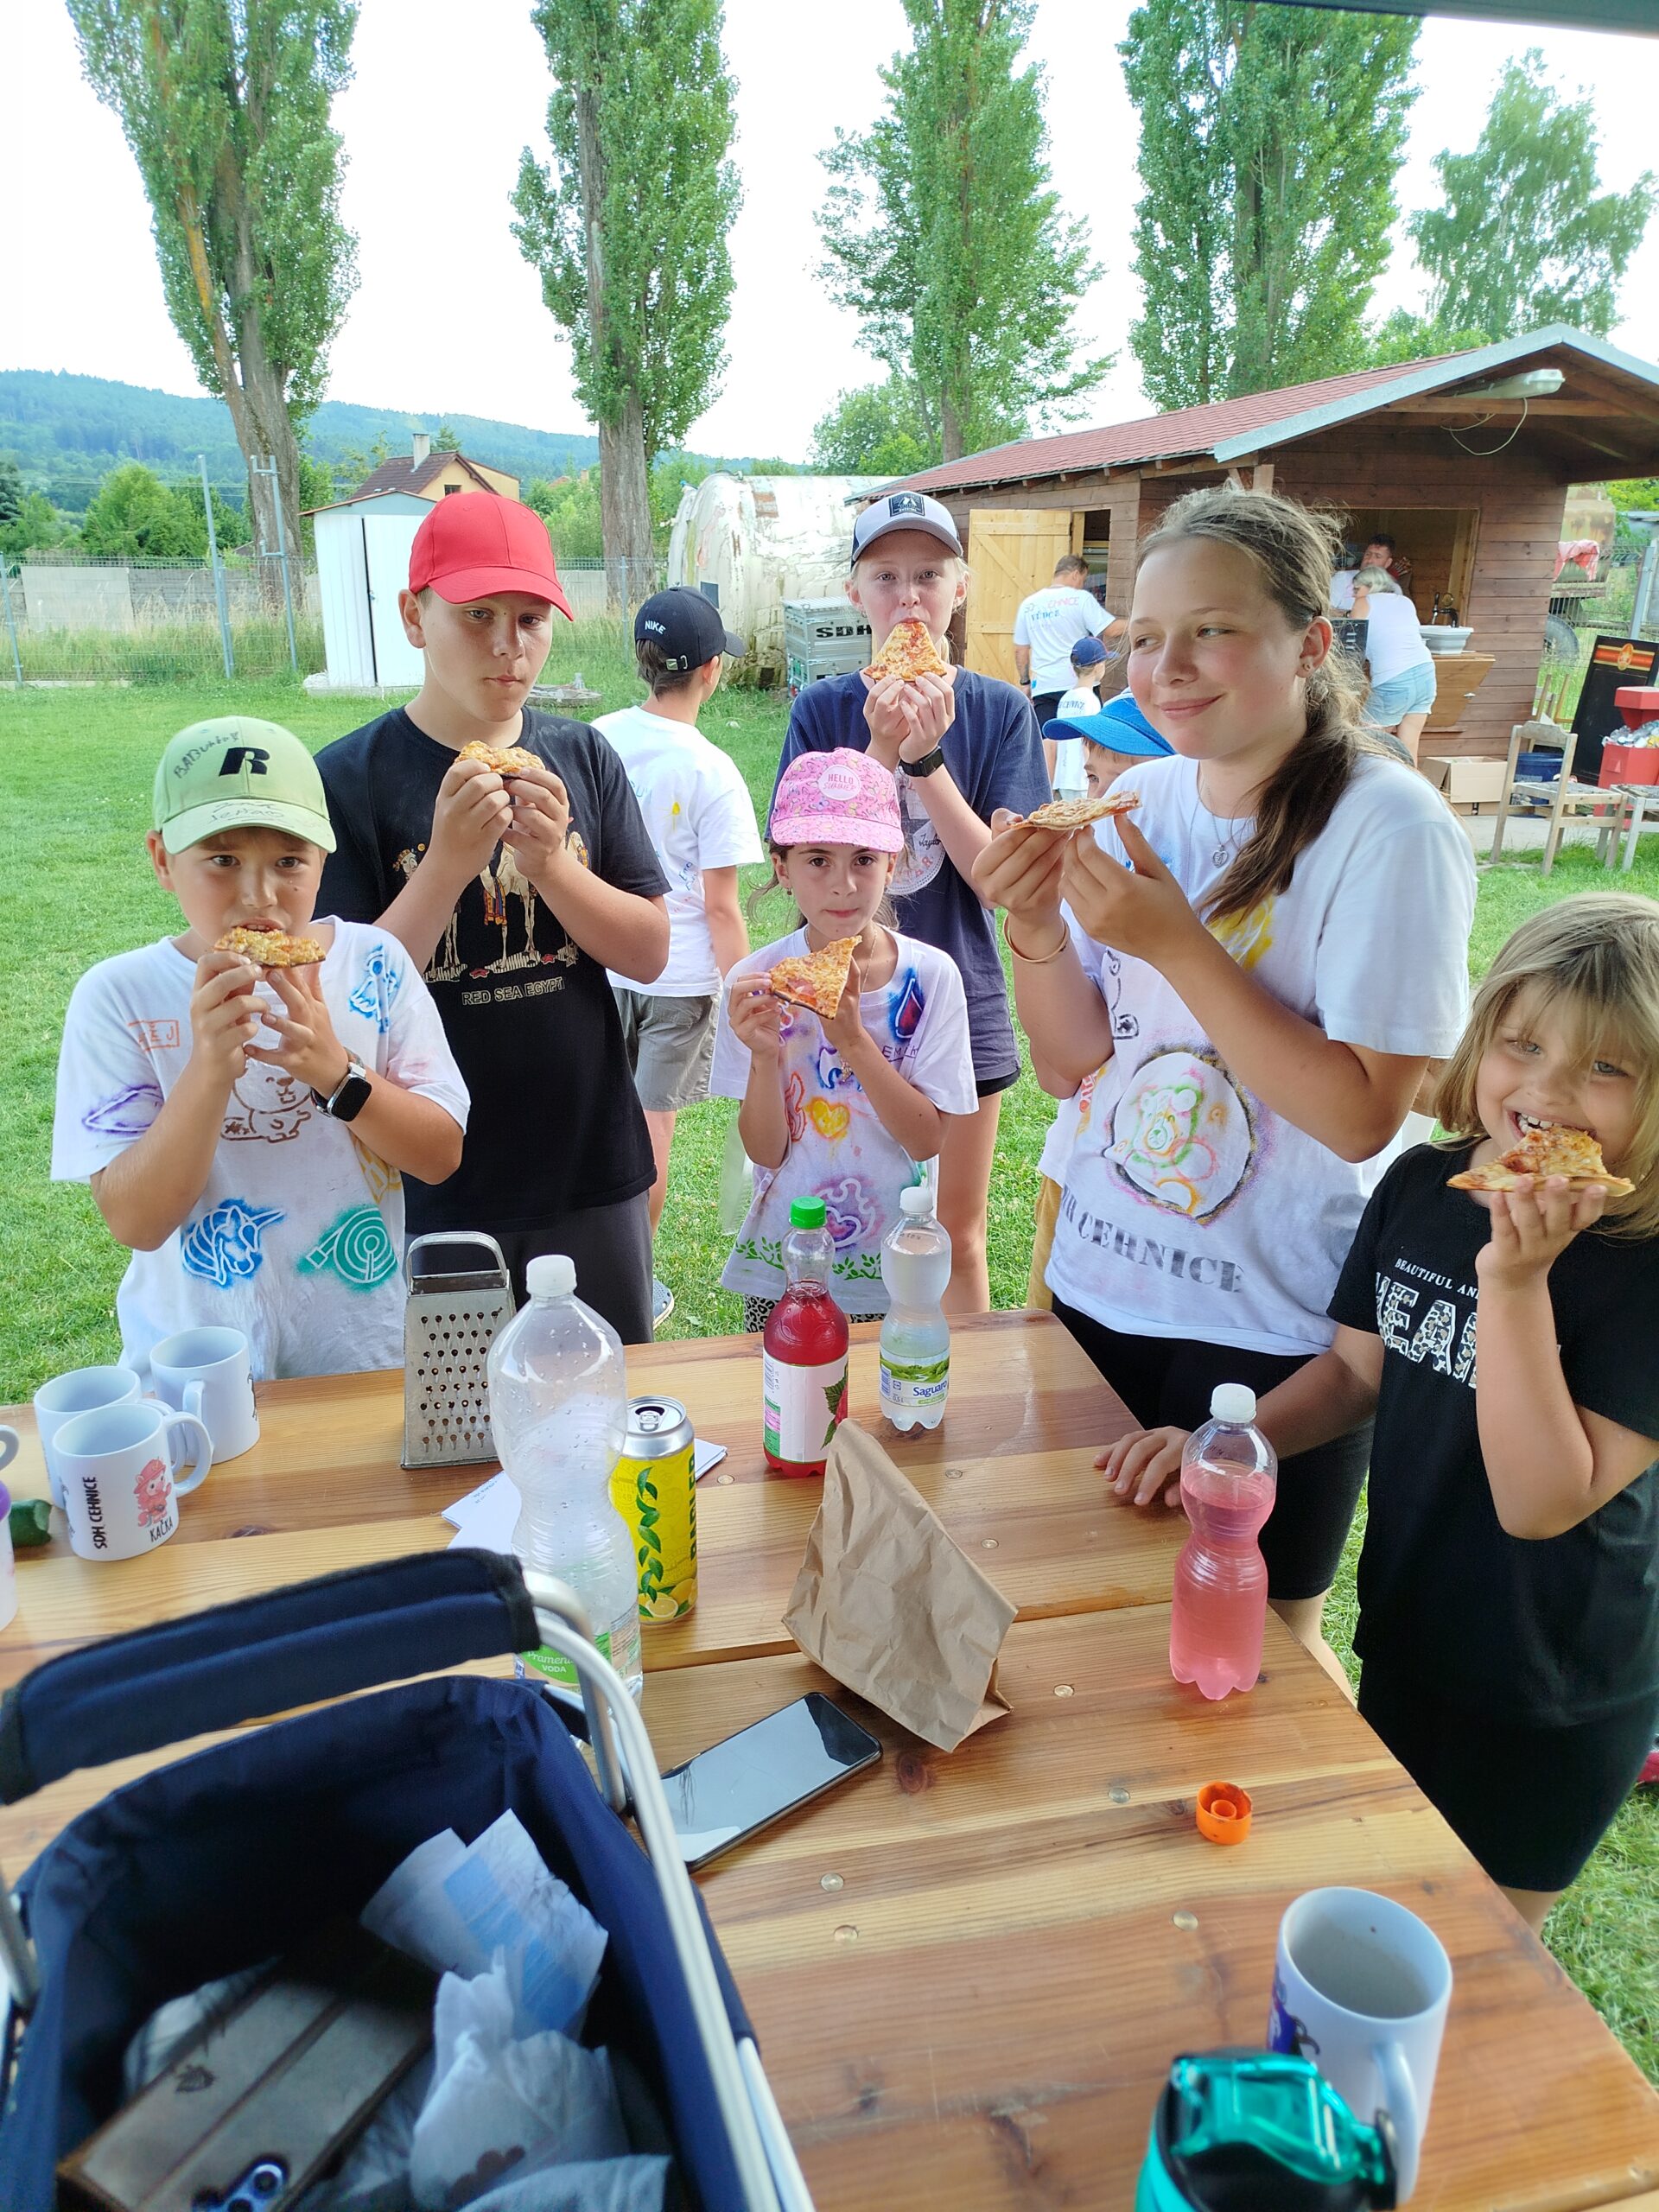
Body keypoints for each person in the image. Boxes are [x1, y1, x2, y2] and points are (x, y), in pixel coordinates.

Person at [973, 486, 1477, 1684]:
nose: (1170, 667)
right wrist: (1033, 925)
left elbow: (1362, 1112)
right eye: (1148, 637)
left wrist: (1179, 947)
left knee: (1266, 1647)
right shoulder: (1136, 802)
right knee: (1086, 1616)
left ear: (1309, 643)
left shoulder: (1388, 828)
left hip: (1273, 1328)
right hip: (1101, 1286)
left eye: (1213, 630)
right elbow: (1071, 1063)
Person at [1100, 895, 1659, 1933]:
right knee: (1381, 1901)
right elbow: (1355, 1375)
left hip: (1551, 1691)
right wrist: (1232, 1444)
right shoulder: (1423, 1186)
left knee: (1479, 1948)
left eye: (1605, 1066)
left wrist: (1515, 1279)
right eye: (1524, 1044)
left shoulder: (1642, 1265)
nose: (1546, 1091)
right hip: (1408, 1633)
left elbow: (1542, 1501)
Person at [315, 493, 670, 1344]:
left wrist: (551, 867)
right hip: (433, 1179)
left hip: (588, 1163)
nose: (510, 646)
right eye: (478, 615)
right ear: (414, 616)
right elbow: (344, 1001)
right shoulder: (350, 779)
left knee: (601, 1396)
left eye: (531, 619)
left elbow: (650, 952)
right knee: (457, 1412)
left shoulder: (582, 755)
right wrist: (445, 865)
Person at [53, 717, 469, 1381]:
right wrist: (208, 1070)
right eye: (222, 860)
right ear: (162, 859)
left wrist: (338, 1074)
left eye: (289, 861)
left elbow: (440, 1154)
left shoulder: (374, 965)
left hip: (359, 1352)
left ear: (324, 860)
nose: (259, 896)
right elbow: (136, 1222)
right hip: (195, 1368)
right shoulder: (120, 998)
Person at [774, 490, 1050, 1313]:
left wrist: (927, 760)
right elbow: (814, 855)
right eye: (885, 577)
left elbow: (997, 882)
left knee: (953, 1232)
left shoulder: (1000, 711)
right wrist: (880, 746)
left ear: (960, 589)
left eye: (929, 576)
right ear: (855, 594)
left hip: (961, 991)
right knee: (835, 1223)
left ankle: (955, 1385)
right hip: (839, 996)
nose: (908, 599)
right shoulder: (823, 708)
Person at [714, 747, 976, 1329]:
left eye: (863, 859)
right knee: (790, 1382)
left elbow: (927, 1140)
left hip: (895, 1264)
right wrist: (763, 1055)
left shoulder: (931, 978)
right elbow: (765, 1153)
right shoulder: (756, 984)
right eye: (817, 860)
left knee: (889, 1384)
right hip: (789, 1260)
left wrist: (853, 1040)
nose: (844, 885)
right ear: (782, 869)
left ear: (893, 864)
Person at [594, 586, 764, 1327]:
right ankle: (634, 1282)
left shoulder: (595, 739)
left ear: (642, 659)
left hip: (601, 961)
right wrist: (748, 991)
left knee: (601, 1119)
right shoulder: (712, 771)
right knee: (652, 1128)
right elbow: (722, 907)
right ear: (712, 671)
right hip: (681, 978)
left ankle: (595, 1264)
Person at [1027, 696, 1175, 1312]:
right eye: (1092, 780)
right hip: (1076, 1172)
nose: (1099, 805)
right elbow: (1056, 1074)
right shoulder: (1078, 903)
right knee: (1050, 1349)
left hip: (1173, 1204)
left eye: (1126, 790)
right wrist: (1035, 924)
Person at [1350, 567, 1438, 764]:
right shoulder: (1405, 602)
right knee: (1409, 749)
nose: (1353, 594)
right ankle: (1412, 783)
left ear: (1371, 586)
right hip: (1425, 673)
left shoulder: (1363, 603)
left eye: (1357, 589)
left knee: (1365, 745)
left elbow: (1354, 645)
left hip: (1393, 679)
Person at [1014, 553, 1112, 727]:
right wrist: (1139, 623)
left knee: (1048, 737)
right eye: (1083, 580)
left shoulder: (1029, 605)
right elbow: (1110, 629)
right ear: (1075, 574)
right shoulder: (1081, 599)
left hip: (1045, 686)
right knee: (1088, 736)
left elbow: (1020, 650)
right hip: (1081, 684)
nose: (1082, 585)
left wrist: (1025, 682)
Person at [1046, 635, 1109, 798]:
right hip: (1082, 780)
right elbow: (1088, 742)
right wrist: (1096, 776)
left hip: (1063, 778)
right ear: (1098, 666)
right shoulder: (1091, 701)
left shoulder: (1065, 699)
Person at [1330, 533, 1411, 611]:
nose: (1370, 561)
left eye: (1378, 556)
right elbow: (1328, 610)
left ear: (1388, 563)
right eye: (1368, 554)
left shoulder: (1393, 588)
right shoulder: (1342, 578)